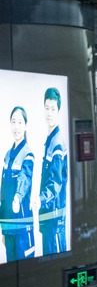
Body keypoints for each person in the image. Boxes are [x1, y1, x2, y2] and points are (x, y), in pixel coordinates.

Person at [1, 107, 35, 263]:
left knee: (26, 272)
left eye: (20, 122)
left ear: (25, 126)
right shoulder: (7, 156)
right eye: (13, 122)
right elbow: (2, 193)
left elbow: (25, 178)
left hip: (22, 226)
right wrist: (2, 228)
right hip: (9, 228)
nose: (16, 126)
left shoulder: (28, 154)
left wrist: (17, 197)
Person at [39, 88, 68, 254]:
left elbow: (55, 184)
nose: (49, 113)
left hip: (53, 215)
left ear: (58, 111)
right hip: (49, 215)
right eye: (47, 108)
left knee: (53, 258)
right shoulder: (50, 140)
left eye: (53, 109)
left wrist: (40, 200)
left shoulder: (56, 144)